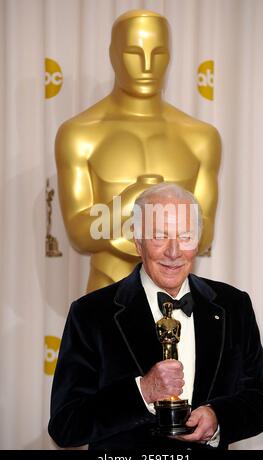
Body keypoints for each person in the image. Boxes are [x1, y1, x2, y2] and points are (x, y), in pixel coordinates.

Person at [48, 183, 263, 450]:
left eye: (185, 236)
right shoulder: (91, 314)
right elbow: (66, 425)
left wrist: (217, 418)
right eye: (159, 236)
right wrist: (143, 391)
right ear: (137, 241)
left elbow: (261, 404)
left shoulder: (233, 305)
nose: (173, 251)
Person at [55, 9, 221, 292]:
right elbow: (79, 234)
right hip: (107, 291)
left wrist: (127, 219)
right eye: (134, 53)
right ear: (113, 55)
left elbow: (202, 233)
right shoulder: (79, 134)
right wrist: (131, 200)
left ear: (170, 57)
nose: (147, 66)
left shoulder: (201, 138)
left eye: (158, 54)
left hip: (176, 293)